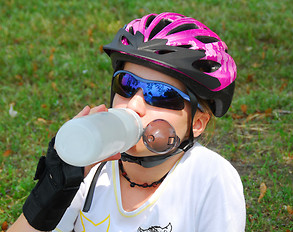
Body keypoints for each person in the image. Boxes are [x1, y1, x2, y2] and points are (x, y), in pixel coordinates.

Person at [8, 12, 246, 231]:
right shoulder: (91, 167)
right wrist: (52, 192)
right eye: (127, 85)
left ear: (197, 122)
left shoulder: (210, 179)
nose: (134, 105)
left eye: (162, 94)